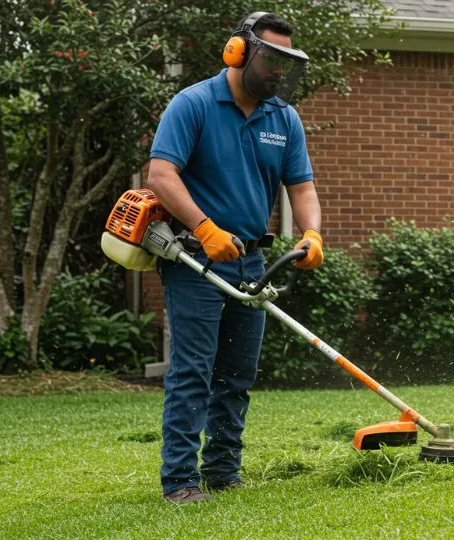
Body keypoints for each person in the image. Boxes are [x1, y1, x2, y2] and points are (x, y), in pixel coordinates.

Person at [146, 11, 323, 504]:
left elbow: (302, 186)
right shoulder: (195, 104)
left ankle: (223, 470)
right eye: (270, 59)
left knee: (237, 374)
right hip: (196, 260)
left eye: (286, 63)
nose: (278, 72)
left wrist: (312, 232)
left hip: (252, 262)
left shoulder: (283, 118)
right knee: (193, 370)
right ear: (238, 52)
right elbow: (161, 175)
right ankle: (179, 481)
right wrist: (204, 227)